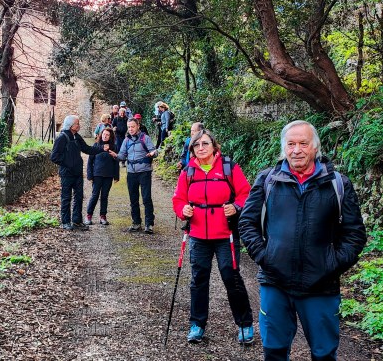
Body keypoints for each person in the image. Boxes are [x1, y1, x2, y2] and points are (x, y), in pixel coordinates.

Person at [238, 120, 367, 361]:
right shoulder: (268, 180)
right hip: (275, 282)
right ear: (283, 148)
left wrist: (332, 264)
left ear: (315, 147)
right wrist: (265, 257)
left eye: (303, 143)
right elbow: (247, 223)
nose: (296, 150)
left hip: (321, 285)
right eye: (291, 144)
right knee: (274, 351)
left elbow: (354, 233)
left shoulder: (337, 183)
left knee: (324, 354)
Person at [172, 129, 254, 344]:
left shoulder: (229, 167)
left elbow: (246, 193)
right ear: (192, 149)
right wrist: (183, 210)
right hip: (198, 234)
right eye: (196, 145)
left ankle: (245, 324)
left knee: (231, 277)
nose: (201, 148)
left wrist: (236, 207)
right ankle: (197, 324)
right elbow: (178, 199)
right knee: (199, 279)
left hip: (225, 233)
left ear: (214, 146)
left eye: (205, 143)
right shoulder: (188, 171)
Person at [50, 115, 114, 231]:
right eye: (77, 124)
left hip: (78, 173)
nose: (79, 125)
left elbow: (87, 149)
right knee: (66, 198)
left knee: (79, 197)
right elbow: (54, 157)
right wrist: (69, 163)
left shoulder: (77, 136)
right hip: (67, 174)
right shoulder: (62, 138)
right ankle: (65, 222)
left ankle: (77, 221)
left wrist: (101, 148)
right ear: (71, 126)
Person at [116, 118, 158, 234]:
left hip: (144, 172)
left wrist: (153, 153)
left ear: (138, 126)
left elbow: (155, 152)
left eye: (132, 127)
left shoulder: (145, 138)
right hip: (131, 173)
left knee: (146, 198)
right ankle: (136, 222)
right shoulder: (126, 140)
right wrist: (115, 155)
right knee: (133, 199)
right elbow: (122, 155)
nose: (130, 129)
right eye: (129, 127)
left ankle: (149, 224)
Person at [85, 128, 120, 225]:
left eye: (107, 135)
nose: (105, 136)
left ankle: (103, 216)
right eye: (104, 134)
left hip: (108, 175)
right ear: (101, 135)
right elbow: (90, 162)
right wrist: (90, 175)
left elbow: (116, 163)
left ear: (110, 136)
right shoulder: (96, 146)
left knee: (104, 196)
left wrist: (116, 176)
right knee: (95, 195)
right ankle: (89, 215)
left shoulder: (114, 147)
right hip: (97, 175)